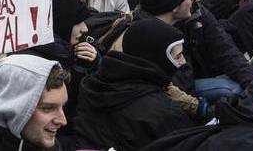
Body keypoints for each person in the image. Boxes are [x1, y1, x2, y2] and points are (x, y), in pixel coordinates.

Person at [130, 0, 253, 104]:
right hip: (172, 99)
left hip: (191, 86)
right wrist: (200, 111)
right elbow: (171, 88)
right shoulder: (146, 32)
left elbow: (227, 51)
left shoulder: (198, 13)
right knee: (229, 89)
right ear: (172, 0)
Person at [74, 18, 194, 151]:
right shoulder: (164, 112)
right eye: (177, 56)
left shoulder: (90, 85)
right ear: (156, 57)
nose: (183, 62)